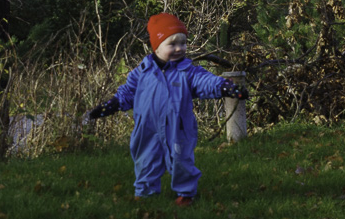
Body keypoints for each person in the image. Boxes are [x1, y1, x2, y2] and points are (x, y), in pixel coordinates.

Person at [82, 12, 241, 205]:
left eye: (182, 43)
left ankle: (186, 193)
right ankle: (145, 192)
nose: (179, 49)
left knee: (181, 161)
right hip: (147, 128)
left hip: (178, 128)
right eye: (172, 44)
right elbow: (128, 92)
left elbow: (205, 81)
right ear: (156, 46)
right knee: (146, 160)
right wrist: (113, 104)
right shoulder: (142, 71)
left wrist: (224, 87)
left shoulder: (188, 71)